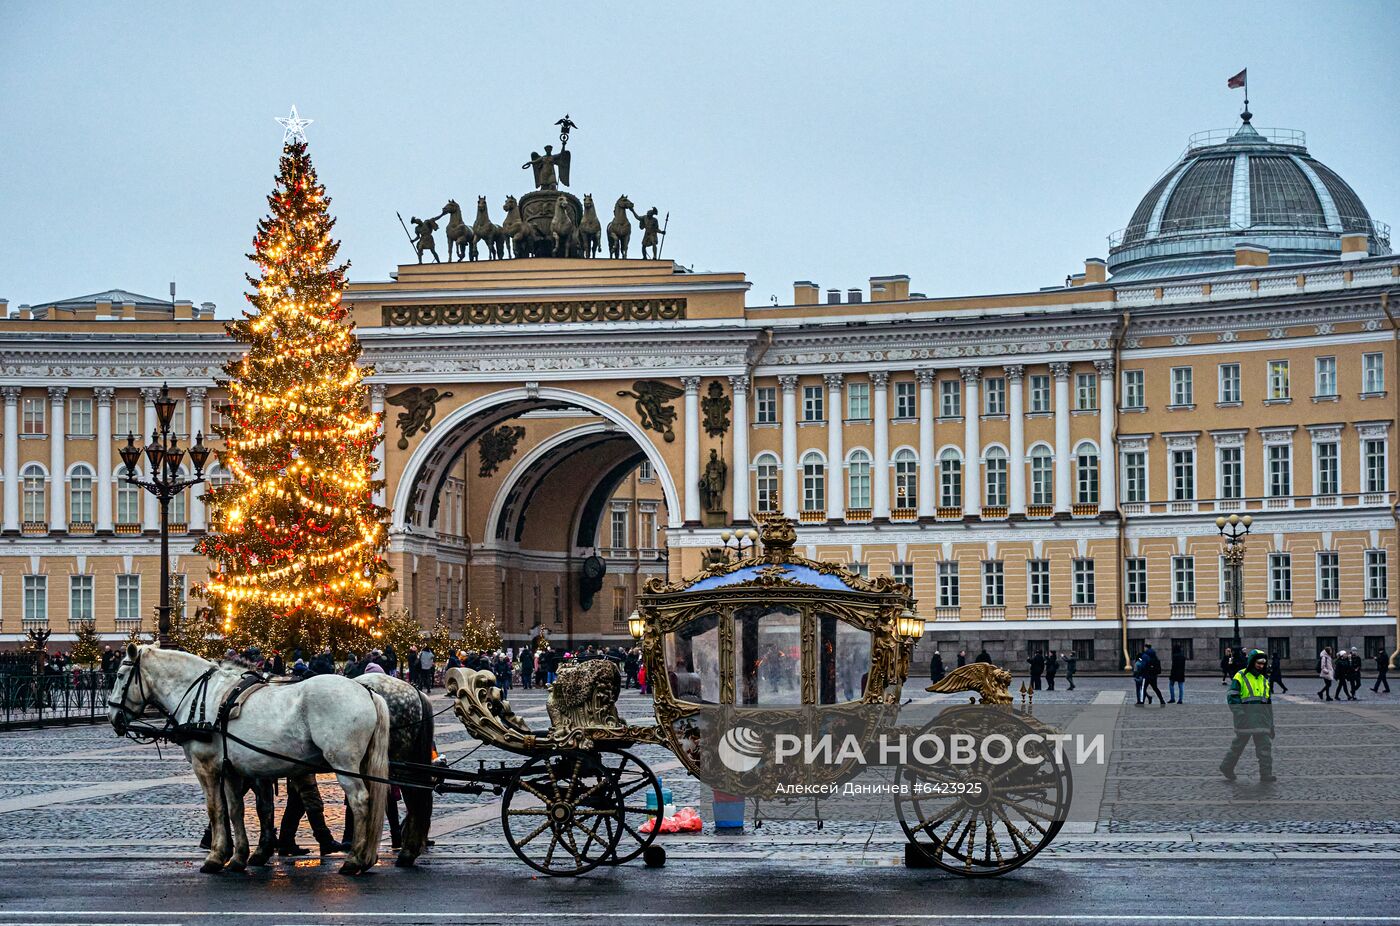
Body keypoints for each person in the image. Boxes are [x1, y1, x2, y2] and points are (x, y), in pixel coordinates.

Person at [1220, 649, 1276, 783]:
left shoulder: (1264, 679)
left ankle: (1266, 774)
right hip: (1245, 718)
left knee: (1265, 748)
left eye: (1263, 663)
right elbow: (1232, 696)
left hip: (1262, 719)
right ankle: (1226, 767)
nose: (1261, 666)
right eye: (1258, 663)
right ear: (1252, 662)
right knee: (1237, 747)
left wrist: (1271, 724)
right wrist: (1239, 713)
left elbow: (1268, 703)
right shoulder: (1240, 676)